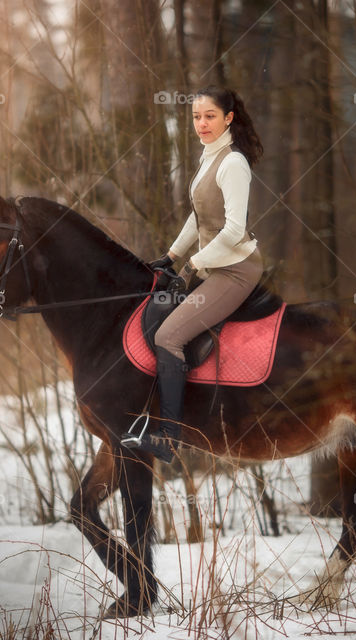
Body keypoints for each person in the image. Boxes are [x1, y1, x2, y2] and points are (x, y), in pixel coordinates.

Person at [121, 86, 265, 463]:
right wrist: (171, 256)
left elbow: (234, 230)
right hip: (212, 264)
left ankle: (169, 438)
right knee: (156, 315)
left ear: (228, 118)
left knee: (169, 335)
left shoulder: (233, 163)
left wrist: (194, 264)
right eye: (196, 117)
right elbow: (198, 216)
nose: (202, 124)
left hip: (234, 271)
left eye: (210, 116)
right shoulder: (210, 155)